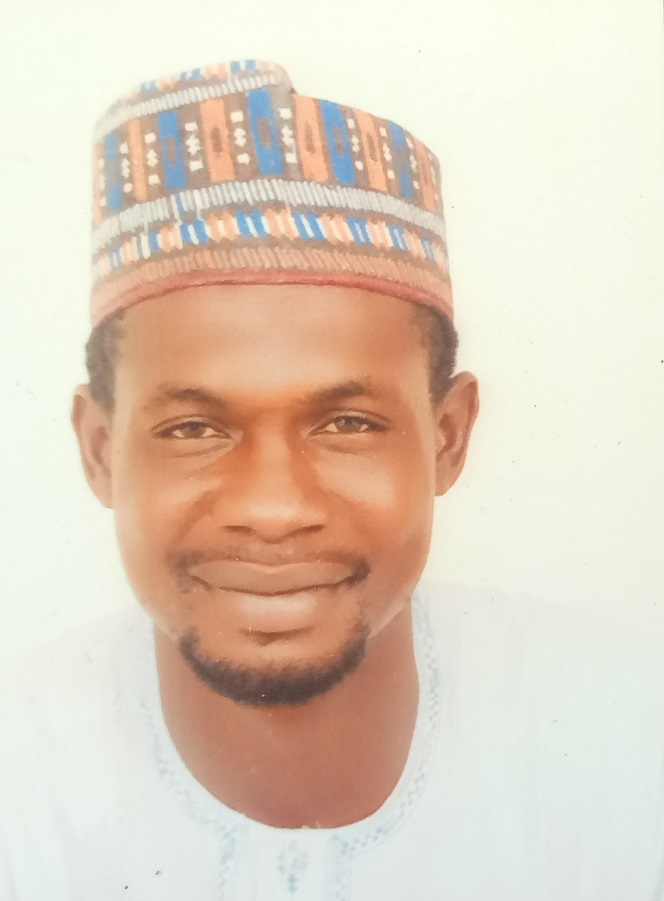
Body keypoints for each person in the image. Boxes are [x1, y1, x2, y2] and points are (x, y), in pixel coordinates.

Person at [1, 59, 663, 901]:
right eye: (194, 429)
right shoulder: (21, 780)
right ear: (99, 450)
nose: (274, 509)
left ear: (448, 437)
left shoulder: (623, 741)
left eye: (348, 423)